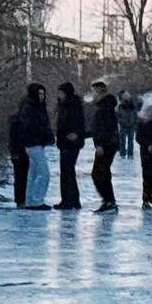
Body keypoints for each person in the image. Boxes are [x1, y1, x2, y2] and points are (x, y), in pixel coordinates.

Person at [17, 83, 55, 210]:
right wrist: (42, 136)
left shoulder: (37, 107)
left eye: (43, 94)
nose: (42, 96)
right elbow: (30, 127)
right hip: (33, 143)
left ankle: (30, 201)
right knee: (44, 173)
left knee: (33, 173)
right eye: (39, 94)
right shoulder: (29, 108)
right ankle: (37, 200)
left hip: (36, 143)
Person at [53, 82, 86, 210]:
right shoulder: (64, 105)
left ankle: (68, 201)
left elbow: (80, 122)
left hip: (71, 142)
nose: (59, 95)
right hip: (65, 141)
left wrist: (76, 134)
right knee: (68, 172)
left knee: (67, 172)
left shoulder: (73, 105)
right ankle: (72, 200)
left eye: (61, 92)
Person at [87, 80, 119, 214]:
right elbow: (97, 128)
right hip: (108, 144)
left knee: (98, 173)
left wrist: (99, 144)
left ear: (100, 92)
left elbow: (105, 128)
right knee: (102, 173)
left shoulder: (105, 108)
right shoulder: (105, 106)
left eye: (94, 91)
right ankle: (108, 201)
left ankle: (109, 201)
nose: (92, 94)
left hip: (106, 145)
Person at [7, 110, 29, 209]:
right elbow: (13, 138)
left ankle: (21, 200)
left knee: (21, 176)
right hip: (21, 151)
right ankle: (21, 200)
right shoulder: (18, 121)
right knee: (21, 176)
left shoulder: (17, 121)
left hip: (23, 150)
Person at [116, 92, 138, 159]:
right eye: (125, 97)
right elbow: (118, 116)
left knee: (130, 141)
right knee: (122, 141)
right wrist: (120, 122)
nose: (126, 98)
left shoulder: (133, 106)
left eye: (127, 96)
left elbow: (135, 115)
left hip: (131, 126)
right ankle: (122, 154)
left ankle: (130, 154)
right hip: (123, 126)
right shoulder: (120, 106)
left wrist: (134, 123)